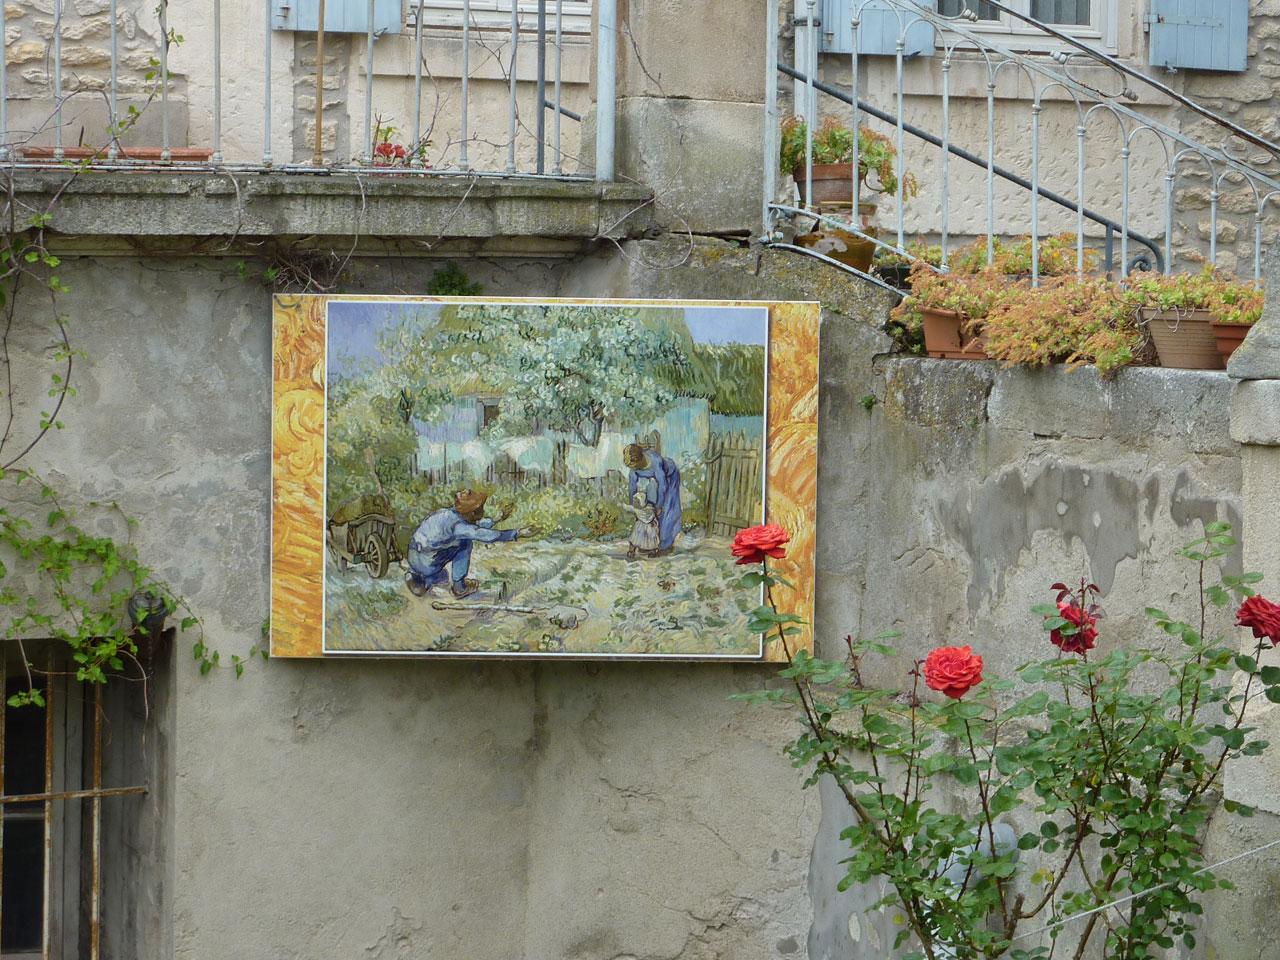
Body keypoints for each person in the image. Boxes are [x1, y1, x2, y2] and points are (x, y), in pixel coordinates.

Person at [404, 489, 529, 598]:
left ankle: (418, 577)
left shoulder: (447, 514)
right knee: (465, 543)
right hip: (428, 563)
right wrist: (517, 533)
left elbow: (474, 526)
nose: (482, 510)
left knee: (443, 574)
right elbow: (484, 534)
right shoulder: (460, 527)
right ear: (473, 512)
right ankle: (459, 588)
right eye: (480, 508)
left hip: (414, 557)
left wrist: (498, 518)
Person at [623, 443, 682, 554]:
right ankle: (648, 544)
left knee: (666, 510)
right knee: (649, 510)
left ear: (639, 460)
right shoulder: (634, 468)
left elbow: (662, 487)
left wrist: (659, 506)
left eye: (634, 466)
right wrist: (634, 507)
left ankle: (665, 544)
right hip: (655, 482)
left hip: (670, 476)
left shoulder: (655, 462)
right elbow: (632, 487)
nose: (633, 469)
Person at [622, 491, 660, 559]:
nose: (635, 504)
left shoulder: (647, 510)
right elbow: (631, 508)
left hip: (647, 528)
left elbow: (631, 509)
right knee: (635, 539)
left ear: (642, 502)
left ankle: (652, 552)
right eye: (635, 502)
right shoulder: (641, 510)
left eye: (637, 502)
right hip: (641, 528)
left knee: (647, 540)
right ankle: (631, 551)